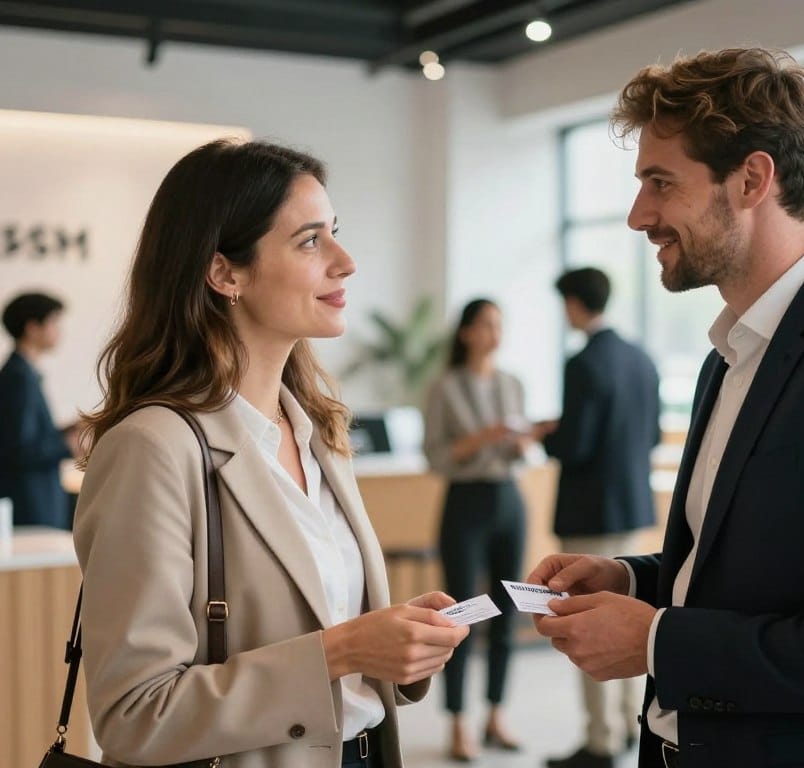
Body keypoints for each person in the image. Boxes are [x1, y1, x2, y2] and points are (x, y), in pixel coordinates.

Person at [527, 47, 804, 768]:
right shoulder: (731, 353)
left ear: (752, 179)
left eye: (660, 183)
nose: (641, 215)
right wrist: (633, 579)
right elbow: (758, 562)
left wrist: (653, 639)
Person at [73, 139, 469, 768]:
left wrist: (392, 641)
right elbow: (133, 715)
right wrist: (342, 650)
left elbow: (318, 629)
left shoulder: (318, 431)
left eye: (334, 233)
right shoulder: (153, 448)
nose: (346, 262)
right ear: (225, 272)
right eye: (311, 241)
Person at [535, 267, 660, 768]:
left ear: (573, 303)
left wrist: (547, 434)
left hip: (590, 507)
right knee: (628, 613)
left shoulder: (583, 361)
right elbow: (649, 436)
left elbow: (576, 444)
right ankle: (631, 723)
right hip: (631, 502)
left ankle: (600, 740)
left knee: (585, 620)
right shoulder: (641, 358)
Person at [423, 298, 529, 762]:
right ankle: (458, 723)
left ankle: (495, 715)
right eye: (486, 325)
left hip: (509, 499)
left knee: (508, 610)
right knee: (463, 613)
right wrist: (483, 438)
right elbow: (436, 456)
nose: (494, 333)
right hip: (464, 503)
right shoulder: (444, 387)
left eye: (499, 325)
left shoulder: (512, 383)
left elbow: (519, 452)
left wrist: (522, 442)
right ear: (466, 332)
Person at [0, 291, 81, 528]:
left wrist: (67, 430)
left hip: (34, 498)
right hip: (30, 502)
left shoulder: (23, 374)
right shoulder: (18, 377)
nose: (58, 331)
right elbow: (19, 448)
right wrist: (68, 443)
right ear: (32, 328)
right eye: (53, 322)